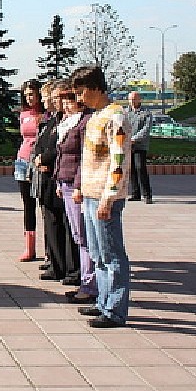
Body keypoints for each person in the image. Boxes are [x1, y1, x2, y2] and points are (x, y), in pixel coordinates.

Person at [70, 65, 132, 328]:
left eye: (82, 92)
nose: (79, 98)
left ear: (96, 88)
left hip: (106, 198)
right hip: (91, 195)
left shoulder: (116, 117)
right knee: (97, 253)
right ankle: (103, 301)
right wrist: (83, 190)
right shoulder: (96, 116)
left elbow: (119, 161)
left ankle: (115, 311)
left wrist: (109, 197)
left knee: (112, 254)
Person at [54, 83, 96, 304]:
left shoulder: (85, 122)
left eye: (69, 100)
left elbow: (83, 157)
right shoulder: (68, 122)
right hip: (66, 182)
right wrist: (59, 182)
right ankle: (86, 282)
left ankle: (89, 285)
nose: (65, 105)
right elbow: (62, 154)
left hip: (77, 185)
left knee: (84, 237)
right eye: (64, 101)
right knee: (79, 236)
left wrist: (78, 185)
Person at [32, 81, 70, 281]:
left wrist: (45, 159)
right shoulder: (52, 120)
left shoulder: (67, 121)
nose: (51, 101)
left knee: (61, 223)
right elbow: (41, 143)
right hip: (46, 174)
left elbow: (60, 148)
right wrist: (38, 158)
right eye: (51, 98)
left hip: (58, 176)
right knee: (51, 221)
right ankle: (55, 263)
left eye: (54, 98)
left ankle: (63, 266)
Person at [15, 79, 43, 262]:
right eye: (26, 95)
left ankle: (53, 249)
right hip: (23, 160)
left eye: (32, 94)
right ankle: (29, 247)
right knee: (28, 204)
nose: (29, 98)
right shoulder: (23, 114)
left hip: (40, 161)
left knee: (46, 205)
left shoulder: (47, 114)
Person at [126, 91, 153, 204]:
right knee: (131, 169)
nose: (132, 101)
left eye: (134, 99)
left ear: (139, 99)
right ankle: (135, 193)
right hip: (127, 145)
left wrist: (134, 139)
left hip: (140, 145)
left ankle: (147, 195)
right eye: (130, 99)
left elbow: (146, 130)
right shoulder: (125, 112)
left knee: (140, 168)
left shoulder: (146, 113)